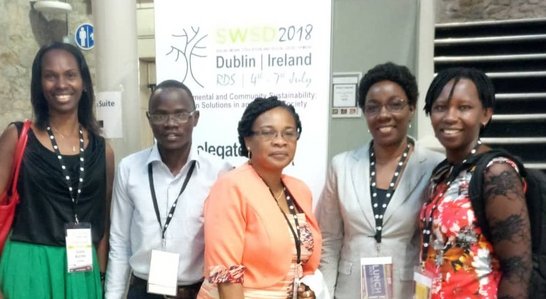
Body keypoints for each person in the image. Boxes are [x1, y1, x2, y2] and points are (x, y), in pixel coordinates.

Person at [315, 62, 444, 298]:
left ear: (412, 109)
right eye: (373, 107)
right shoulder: (341, 166)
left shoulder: (435, 167)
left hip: (407, 290)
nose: (384, 115)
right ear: (364, 112)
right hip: (349, 290)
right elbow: (330, 240)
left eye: (395, 105)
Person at [0, 42, 114, 298]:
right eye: (50, 76)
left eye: (70, 75)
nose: (61, 84)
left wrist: (102, 277)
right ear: (39, 85)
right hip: (27, 268)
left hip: (82, 272)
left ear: (84, 82)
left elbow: (103, 222)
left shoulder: (103, 150)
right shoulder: (18, 137)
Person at [105, 79, 232, 299]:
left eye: (181, 114)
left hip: (197, 292)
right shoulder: (129, 169)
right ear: (149, 119)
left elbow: (228, 245)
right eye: (160, 115)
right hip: (143, 292)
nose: (170, 123)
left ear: (195, 118)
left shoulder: (219, 173)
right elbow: (119, 241)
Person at [419, 67, 531, 298]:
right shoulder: (441, 174)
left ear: (486, 114)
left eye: (464, 107)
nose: (450, 117)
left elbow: (518, 269)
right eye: (440, 107)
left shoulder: (496, 173)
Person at [198, 96, 322, 299]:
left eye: (289, 134)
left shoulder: (299, 190)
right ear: (248, 140)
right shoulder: (230, 187)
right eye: (268, 133)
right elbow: (226, 275)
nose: (280, 141)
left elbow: (301, 262)